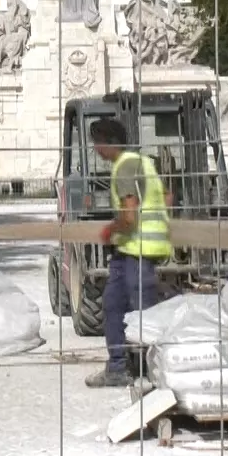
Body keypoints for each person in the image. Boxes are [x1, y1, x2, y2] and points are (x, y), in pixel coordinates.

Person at [84, 117, 173, 388]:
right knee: (112, 303)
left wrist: (111, 229)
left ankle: (154, 371)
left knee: (142, 310)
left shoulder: (125, 167)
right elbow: (167, 198)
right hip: (129, 252)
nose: (96, 150)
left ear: (108, 143)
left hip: (139, 250)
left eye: (97, 144)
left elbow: (129, 214)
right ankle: (118, 366)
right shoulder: (145, 162)